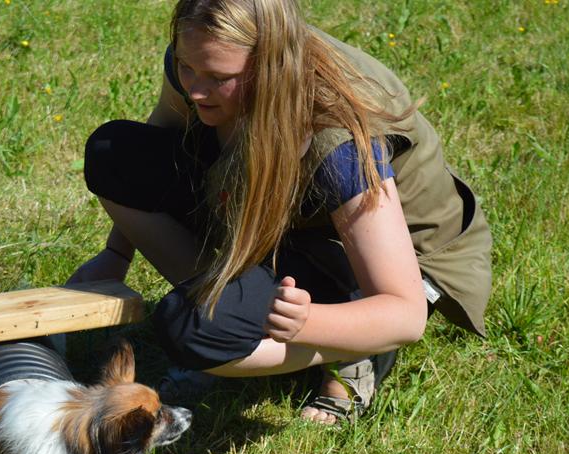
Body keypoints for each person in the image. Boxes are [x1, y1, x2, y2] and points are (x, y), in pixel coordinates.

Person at [67, 0, 492, 424]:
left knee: (193, 332)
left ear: (269, 68)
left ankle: (352, 350)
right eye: (186, 67)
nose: (195, 89)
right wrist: (116, 254)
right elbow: (155, 147)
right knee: (114, 153)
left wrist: (308, 322)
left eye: (218, 78)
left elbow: (406, 312)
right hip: (291, 214)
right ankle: (228, 303)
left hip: (386, 257)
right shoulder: (202, 55)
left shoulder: (337, 139)